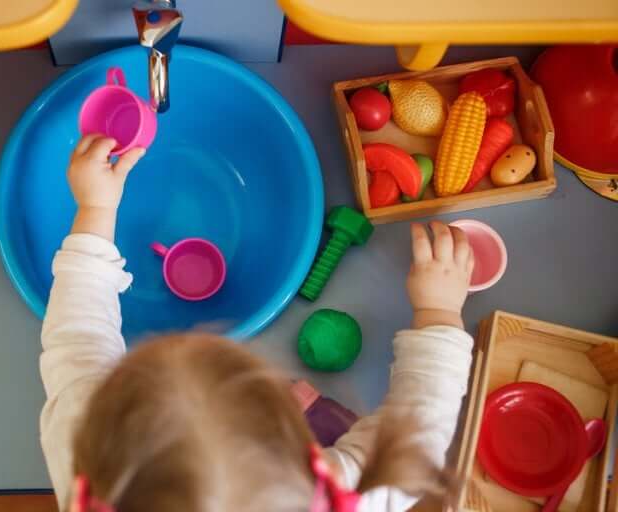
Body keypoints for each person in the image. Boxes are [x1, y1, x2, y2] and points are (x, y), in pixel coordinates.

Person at [40, 135, 475, 512]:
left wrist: (95, 209)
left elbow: (78, 335)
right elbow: (416, 441)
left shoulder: (84, 449)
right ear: (300, 454)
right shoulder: (327, 494)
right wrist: (439, 313)